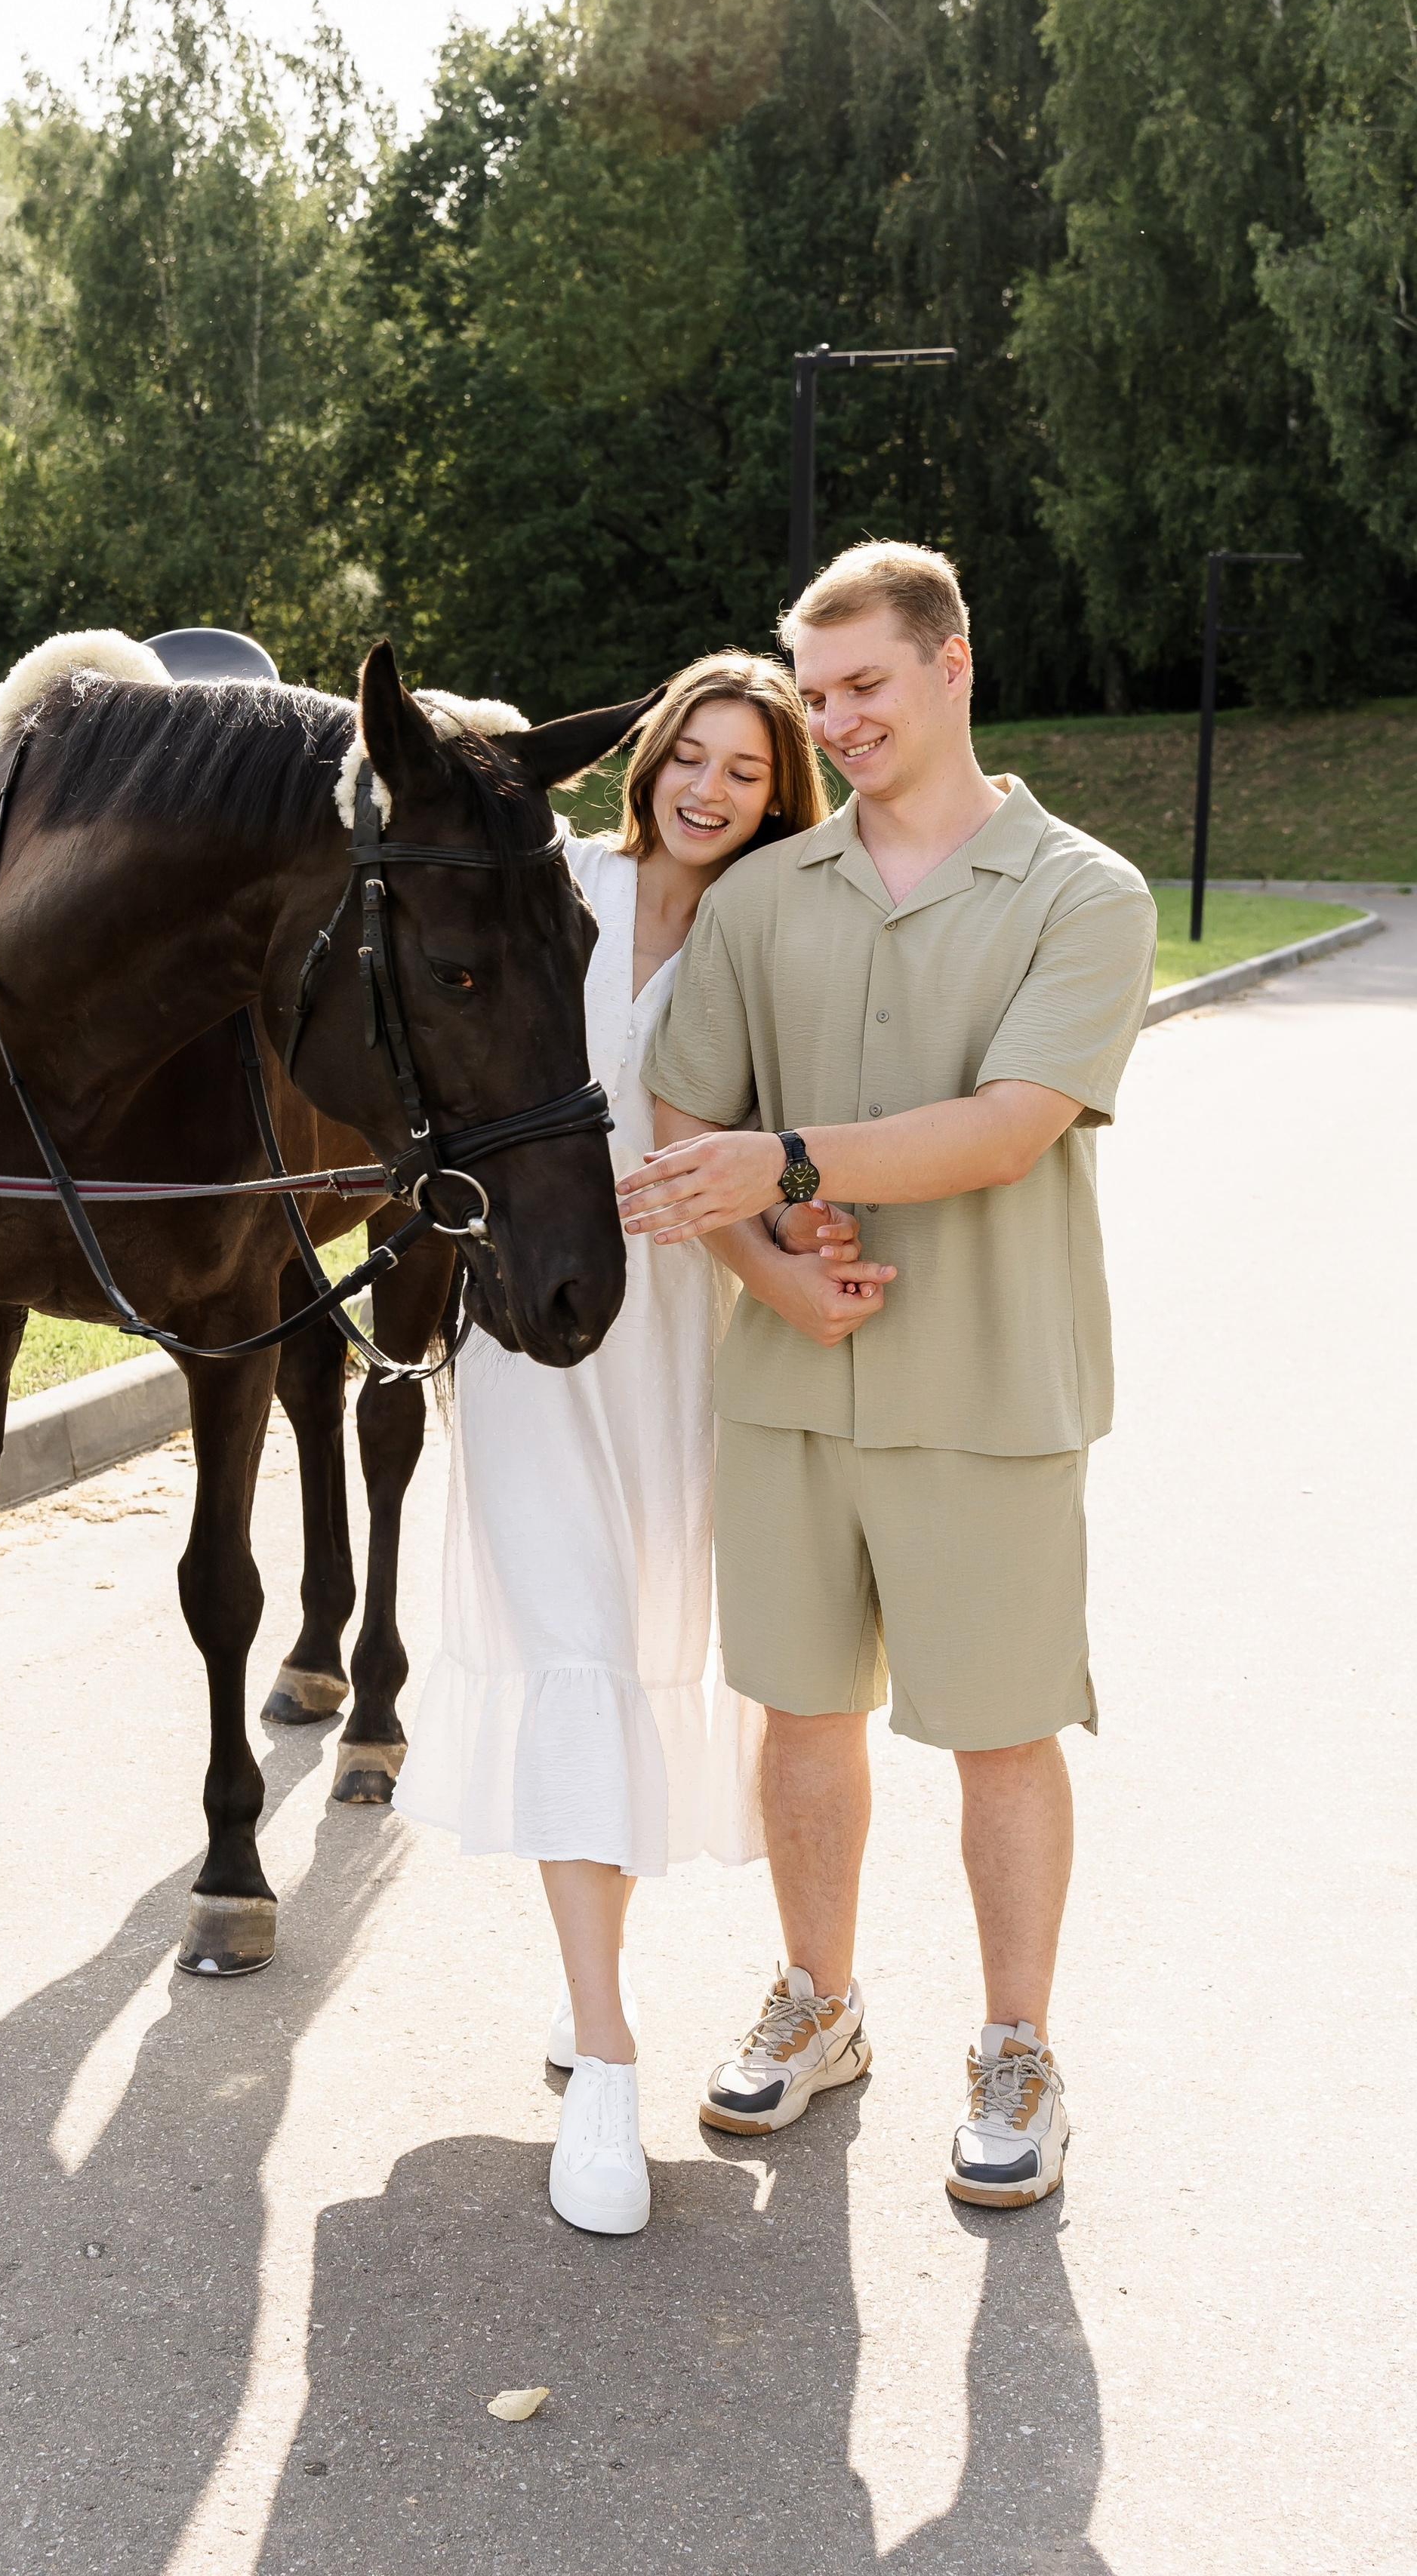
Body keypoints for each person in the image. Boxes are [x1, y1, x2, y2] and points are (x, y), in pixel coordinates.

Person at [623, 541, 1157, 2209]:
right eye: (817, 691)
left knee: (998, 1735)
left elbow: (1008, 1127)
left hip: (993, 1387)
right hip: (791, 1384)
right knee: (799, 1715)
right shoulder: (764, 896)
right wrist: (771, 1260)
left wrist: (779, 1163)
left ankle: (1015, 2050)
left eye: (864, 685)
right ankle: (820, 2004)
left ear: (950, 669)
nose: (836, 720)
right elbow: (680, 1121)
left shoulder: (1085, 891)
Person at [392, 652, 861, 2236]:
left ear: (774, 796)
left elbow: (775, 1150)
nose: (709, 787)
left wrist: (801, 1231)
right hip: (532, 1329)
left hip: (678, 1345)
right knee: (574, 1643)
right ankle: (604, 2053)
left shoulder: (771, 935)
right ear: (648, 755)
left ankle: (581, 1973)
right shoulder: (555, 886)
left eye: (746, 769)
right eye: (692, 754)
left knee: (634, 1652)